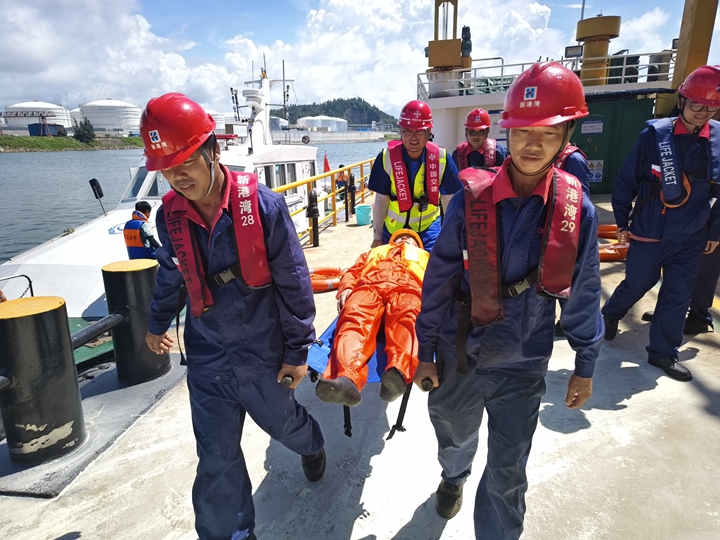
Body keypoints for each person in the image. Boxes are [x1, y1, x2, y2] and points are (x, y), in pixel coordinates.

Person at [414, 62, 603, 539]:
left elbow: (583, 291)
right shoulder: (470, 199)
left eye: (548, 132)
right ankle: (454, 475)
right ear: (508, 133)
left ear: (566, 136)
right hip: (461, 352)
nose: (532, 145)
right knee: (454, 437)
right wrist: (425, 350)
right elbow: (438, 280)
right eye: (523, 132)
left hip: (523, 358)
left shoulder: (576, 210)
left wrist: (585, 363)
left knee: (508, 472)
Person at [139, 92, 325, 540]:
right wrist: (157, 323)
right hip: (208, 358)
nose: (178, 176)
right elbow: (172, 274)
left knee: (284, 426)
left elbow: (294, 283)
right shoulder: (169, 217)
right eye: (167, 168)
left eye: (186, 161)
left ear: (213, 151)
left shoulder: (263, 207)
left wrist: (297, 352)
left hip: (263, 351)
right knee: (216, 459)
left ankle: (313, 444)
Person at [602, 65, 720, 382]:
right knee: (638, 282)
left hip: (692, 236)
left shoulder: (718, 139)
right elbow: (626, 181)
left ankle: (663, 353)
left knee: (677, 294)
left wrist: (714, 231)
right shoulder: (655, 136)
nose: (702, 113)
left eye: (710, 108)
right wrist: (622, 221)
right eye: (696, 105)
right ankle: (610, 314)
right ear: (682, 101)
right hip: (650, 231)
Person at [315, 229, 429, 406]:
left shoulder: (427, 257)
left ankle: (397, 375)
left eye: (411, 238)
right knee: (354, 315)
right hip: (369, 287)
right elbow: (353, 272)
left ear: (418, 246)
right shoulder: (371, 253)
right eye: (400, 236)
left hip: (407, 289)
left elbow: (439, 279)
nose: (405, 238)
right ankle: (346, 380)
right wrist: (346, 287)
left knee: (409, 317)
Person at [368, 100, 461, 251]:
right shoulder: (386, 158)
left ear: (429, 132)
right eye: (407, 131)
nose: (413, 138)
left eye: (419, 132)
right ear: (401, 131)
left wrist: (451, 238)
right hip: (393, 230)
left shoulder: (442, 159)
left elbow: (449, 201)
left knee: (433, 264)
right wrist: (377, 237)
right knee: (388, 265)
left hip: (428, 230)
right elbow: (381, 199)